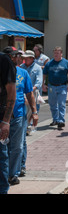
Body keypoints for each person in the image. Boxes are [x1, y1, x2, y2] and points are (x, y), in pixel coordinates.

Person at [2, 48, 38, 186]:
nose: (20, 58)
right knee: (3, 146)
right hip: (2, 115)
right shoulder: (2, 72)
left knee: (17, 146)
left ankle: (12, 174)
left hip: (18, 115)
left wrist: (34, 112)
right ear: (10, 57)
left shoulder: (23, 73)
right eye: (17, 55)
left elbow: (29, 94)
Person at [43, 46, 68, 130]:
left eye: (57, 53)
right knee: (52, 104)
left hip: (62, 86)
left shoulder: (66, 63)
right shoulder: (49, 63)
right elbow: (44, 74)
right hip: (51, 86)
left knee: (61, 104)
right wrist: (43, 84)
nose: (56, 55)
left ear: (61, 54)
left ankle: (61, 121)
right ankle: (55, 120)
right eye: (55, 53)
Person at [0, 48, 17, 194]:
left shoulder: (4, 60)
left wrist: (6, 122)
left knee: (0, 157)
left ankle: (3, 190)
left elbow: (12, 92)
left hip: (0, 116)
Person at [20, 50, 43, 135]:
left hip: (32, 92)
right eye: (24, 58)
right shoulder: (21, 67)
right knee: (23, 111)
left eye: (26, 58)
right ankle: (25, 127)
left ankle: (27, 127)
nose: (25, 59)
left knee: (30, 111)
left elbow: (39, 82)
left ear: (32, 58)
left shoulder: (37, 68)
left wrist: (30, 89)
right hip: (22, 92)